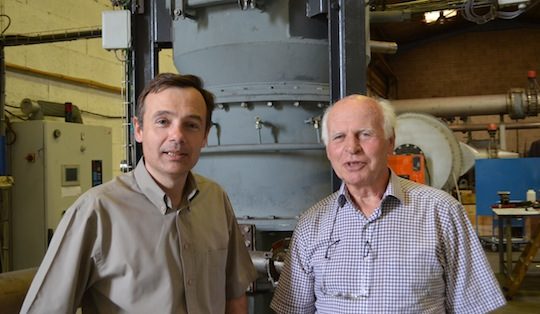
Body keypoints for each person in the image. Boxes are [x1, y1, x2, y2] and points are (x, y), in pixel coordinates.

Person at [21, 73, 258, 314]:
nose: (177, 136)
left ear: (205, 136)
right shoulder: (96, 211)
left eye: (191, 125)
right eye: (163, 121)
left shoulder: (215, 200)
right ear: (138, 129)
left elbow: (234, 295)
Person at [270, 95, 506, 313]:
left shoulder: (441, 212)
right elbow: (293, 309)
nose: (351, 148)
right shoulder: (311, 224)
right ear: (329, 150)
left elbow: (474, 306)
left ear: (390, 141)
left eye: (364, 134)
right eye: (339, 137)